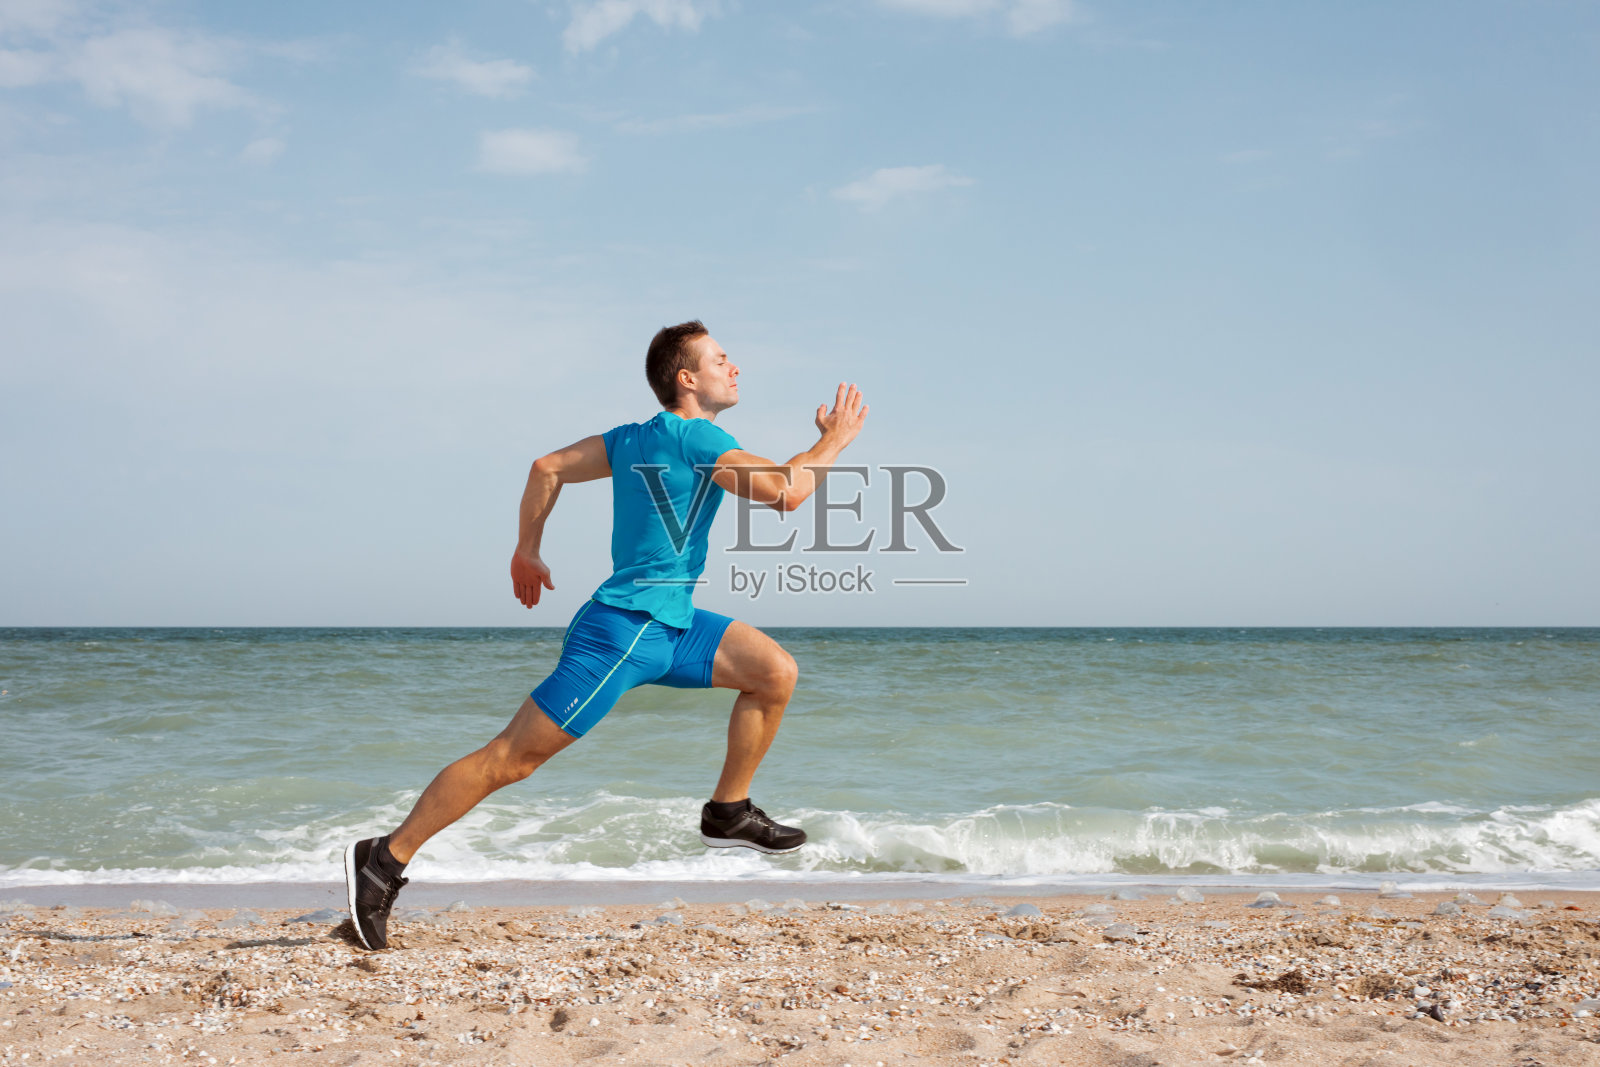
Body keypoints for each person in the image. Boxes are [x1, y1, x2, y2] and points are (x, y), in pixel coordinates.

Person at [344, 320, 869, 949]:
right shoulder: (696, 435)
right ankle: (383, 860)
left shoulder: (631, 439)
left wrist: (526, 551)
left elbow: (547, 468)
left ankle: (728, 810)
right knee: (511, 760)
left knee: (772, 672)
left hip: (672, 623)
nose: (734, 368)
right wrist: (834, 441)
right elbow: (786, 493)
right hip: (623, 630)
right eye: (721, 360)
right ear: (687, 379)